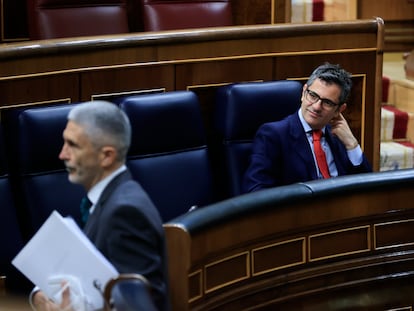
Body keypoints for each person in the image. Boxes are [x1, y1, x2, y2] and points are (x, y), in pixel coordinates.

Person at [30, 101, 170, 310]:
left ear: (106, 156)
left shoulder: (126, 213)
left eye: (73, 145)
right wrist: (40, 295)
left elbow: (140, 307)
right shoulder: (111, 199)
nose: (62, 155)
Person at [243, 63, 372, 193]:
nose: (316, 106)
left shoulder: (338, 136)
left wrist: (352, 144)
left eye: (327, 102)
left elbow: (367, 190)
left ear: (339, 110)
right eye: (313, 95)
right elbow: (256, 192)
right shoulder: (273, 135)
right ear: (304, 92)